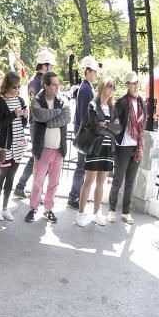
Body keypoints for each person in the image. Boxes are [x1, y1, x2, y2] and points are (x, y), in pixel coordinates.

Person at [26, 72, 71, 223]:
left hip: (59, 150)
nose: (57, 87)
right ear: (45, 85)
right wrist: (57, 113)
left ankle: (48, 209)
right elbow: (39, 115)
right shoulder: (37, 101)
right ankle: (33, 208)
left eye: (58, 85)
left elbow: (67, 117)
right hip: (43, 149)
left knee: (54, 183)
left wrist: (49, 120)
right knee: (38, 182)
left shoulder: (61, 100)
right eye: (54, 85)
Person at [76, 77, 121, 227]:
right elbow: (95, 127)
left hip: (108, 148)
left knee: (101, 182)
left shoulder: (113, 108)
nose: (111, 89)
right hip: (95, 147)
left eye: (113, 87)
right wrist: (108, 126)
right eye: (109, 86)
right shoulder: (93, 105)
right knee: (89, 180)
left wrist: (105, 125)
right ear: (102, 87)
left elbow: (117, 129)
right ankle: (81, 213)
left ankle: (96, 213)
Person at [13, 48, 55, 198]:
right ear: (44, 66)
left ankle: (22, 186)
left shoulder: (32, 81)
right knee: (40, 158)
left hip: (34, 123)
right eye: (50, 66)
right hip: (41, 125)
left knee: (37, 157)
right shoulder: (42, 83)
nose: (52, 69)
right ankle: (30, 189)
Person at [0, 72, 28, 221]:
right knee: (1, 177)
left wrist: (24, 116)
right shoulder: (1, 101)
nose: (17, 90)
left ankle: (5, 208)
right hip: (5, 144)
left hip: (19, 143)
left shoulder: (20, 99)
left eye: (19, 86)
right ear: (7, 86)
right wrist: (13, 114)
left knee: (11, 177)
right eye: (14, 87)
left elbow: (22, 124)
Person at [109, 72, 145, 225]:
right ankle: (111, 210)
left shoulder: (142, 102)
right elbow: (116, 123)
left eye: (137, 83)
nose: (135, 86)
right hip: (123, 146)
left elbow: (143, 123)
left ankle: (125, 212)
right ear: (127, 85)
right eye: (132, 83)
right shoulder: (122, 102)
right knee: (117, 179)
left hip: (136, 146)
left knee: (130, 181)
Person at [68, 55, 99, 209]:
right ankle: (74, 196)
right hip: (84, 132)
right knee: (81, 166)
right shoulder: (86, 89)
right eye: (94, 71)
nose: (96, 74)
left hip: (83, 130)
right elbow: (86, 114)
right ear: (87, 71)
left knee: (82, 166)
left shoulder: (86, 87)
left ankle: (76, 195)